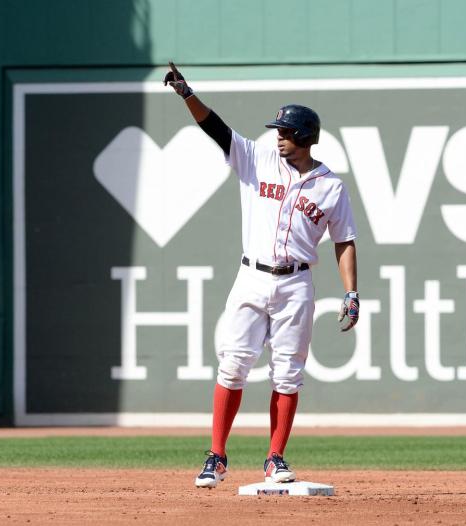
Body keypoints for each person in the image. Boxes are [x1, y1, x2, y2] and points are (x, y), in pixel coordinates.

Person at [163, 62, 360, 488]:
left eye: (286, 131)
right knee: (232, 365)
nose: (279, 136)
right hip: (251, 278)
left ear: (305, 137)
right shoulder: (257, 158)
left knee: (288, 373)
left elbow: (344, 240)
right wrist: (186, 95)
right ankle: (216, 455)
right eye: (278, 130)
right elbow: (216, 128)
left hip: (296, 283)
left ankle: (275, 458)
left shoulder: (331, 187)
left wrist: (351, 293)